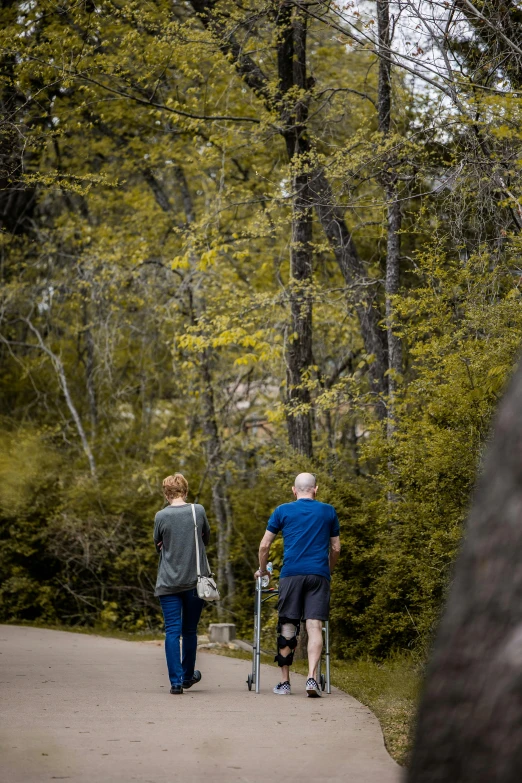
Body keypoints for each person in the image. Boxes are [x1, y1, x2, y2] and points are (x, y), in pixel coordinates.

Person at [255, 472, 341, 698]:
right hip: (318, 575)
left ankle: (285, 683)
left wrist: (263, 570)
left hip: (291, 574)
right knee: (314, 627)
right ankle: (312, 678)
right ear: (316, 489)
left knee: (288, 626)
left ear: (294, 490)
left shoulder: (282, 510)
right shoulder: (328, 511)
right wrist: (327, 571)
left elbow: (264, 546)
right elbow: (336, 549)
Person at [153, 473, 211, 695]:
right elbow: (206, 539)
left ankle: (176, 682)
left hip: (168, 582)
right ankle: (188, 676)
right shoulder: (199, 511)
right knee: (189, 630)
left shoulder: (160, 516)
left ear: (166, 494)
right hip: (195, 581)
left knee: (172, 631)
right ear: (185, 491)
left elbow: (157, 544)